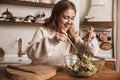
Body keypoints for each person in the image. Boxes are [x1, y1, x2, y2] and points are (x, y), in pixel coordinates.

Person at [26, 0, 99, 66]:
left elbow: (87, 54)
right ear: (56, 17)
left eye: (72, 18)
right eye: (65, 18)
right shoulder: (42, 31)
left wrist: (90, 40)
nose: (69, 22)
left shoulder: (72, 34)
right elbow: (31, 54)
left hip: (59, 74)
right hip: (39, 74)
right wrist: (53, 41)